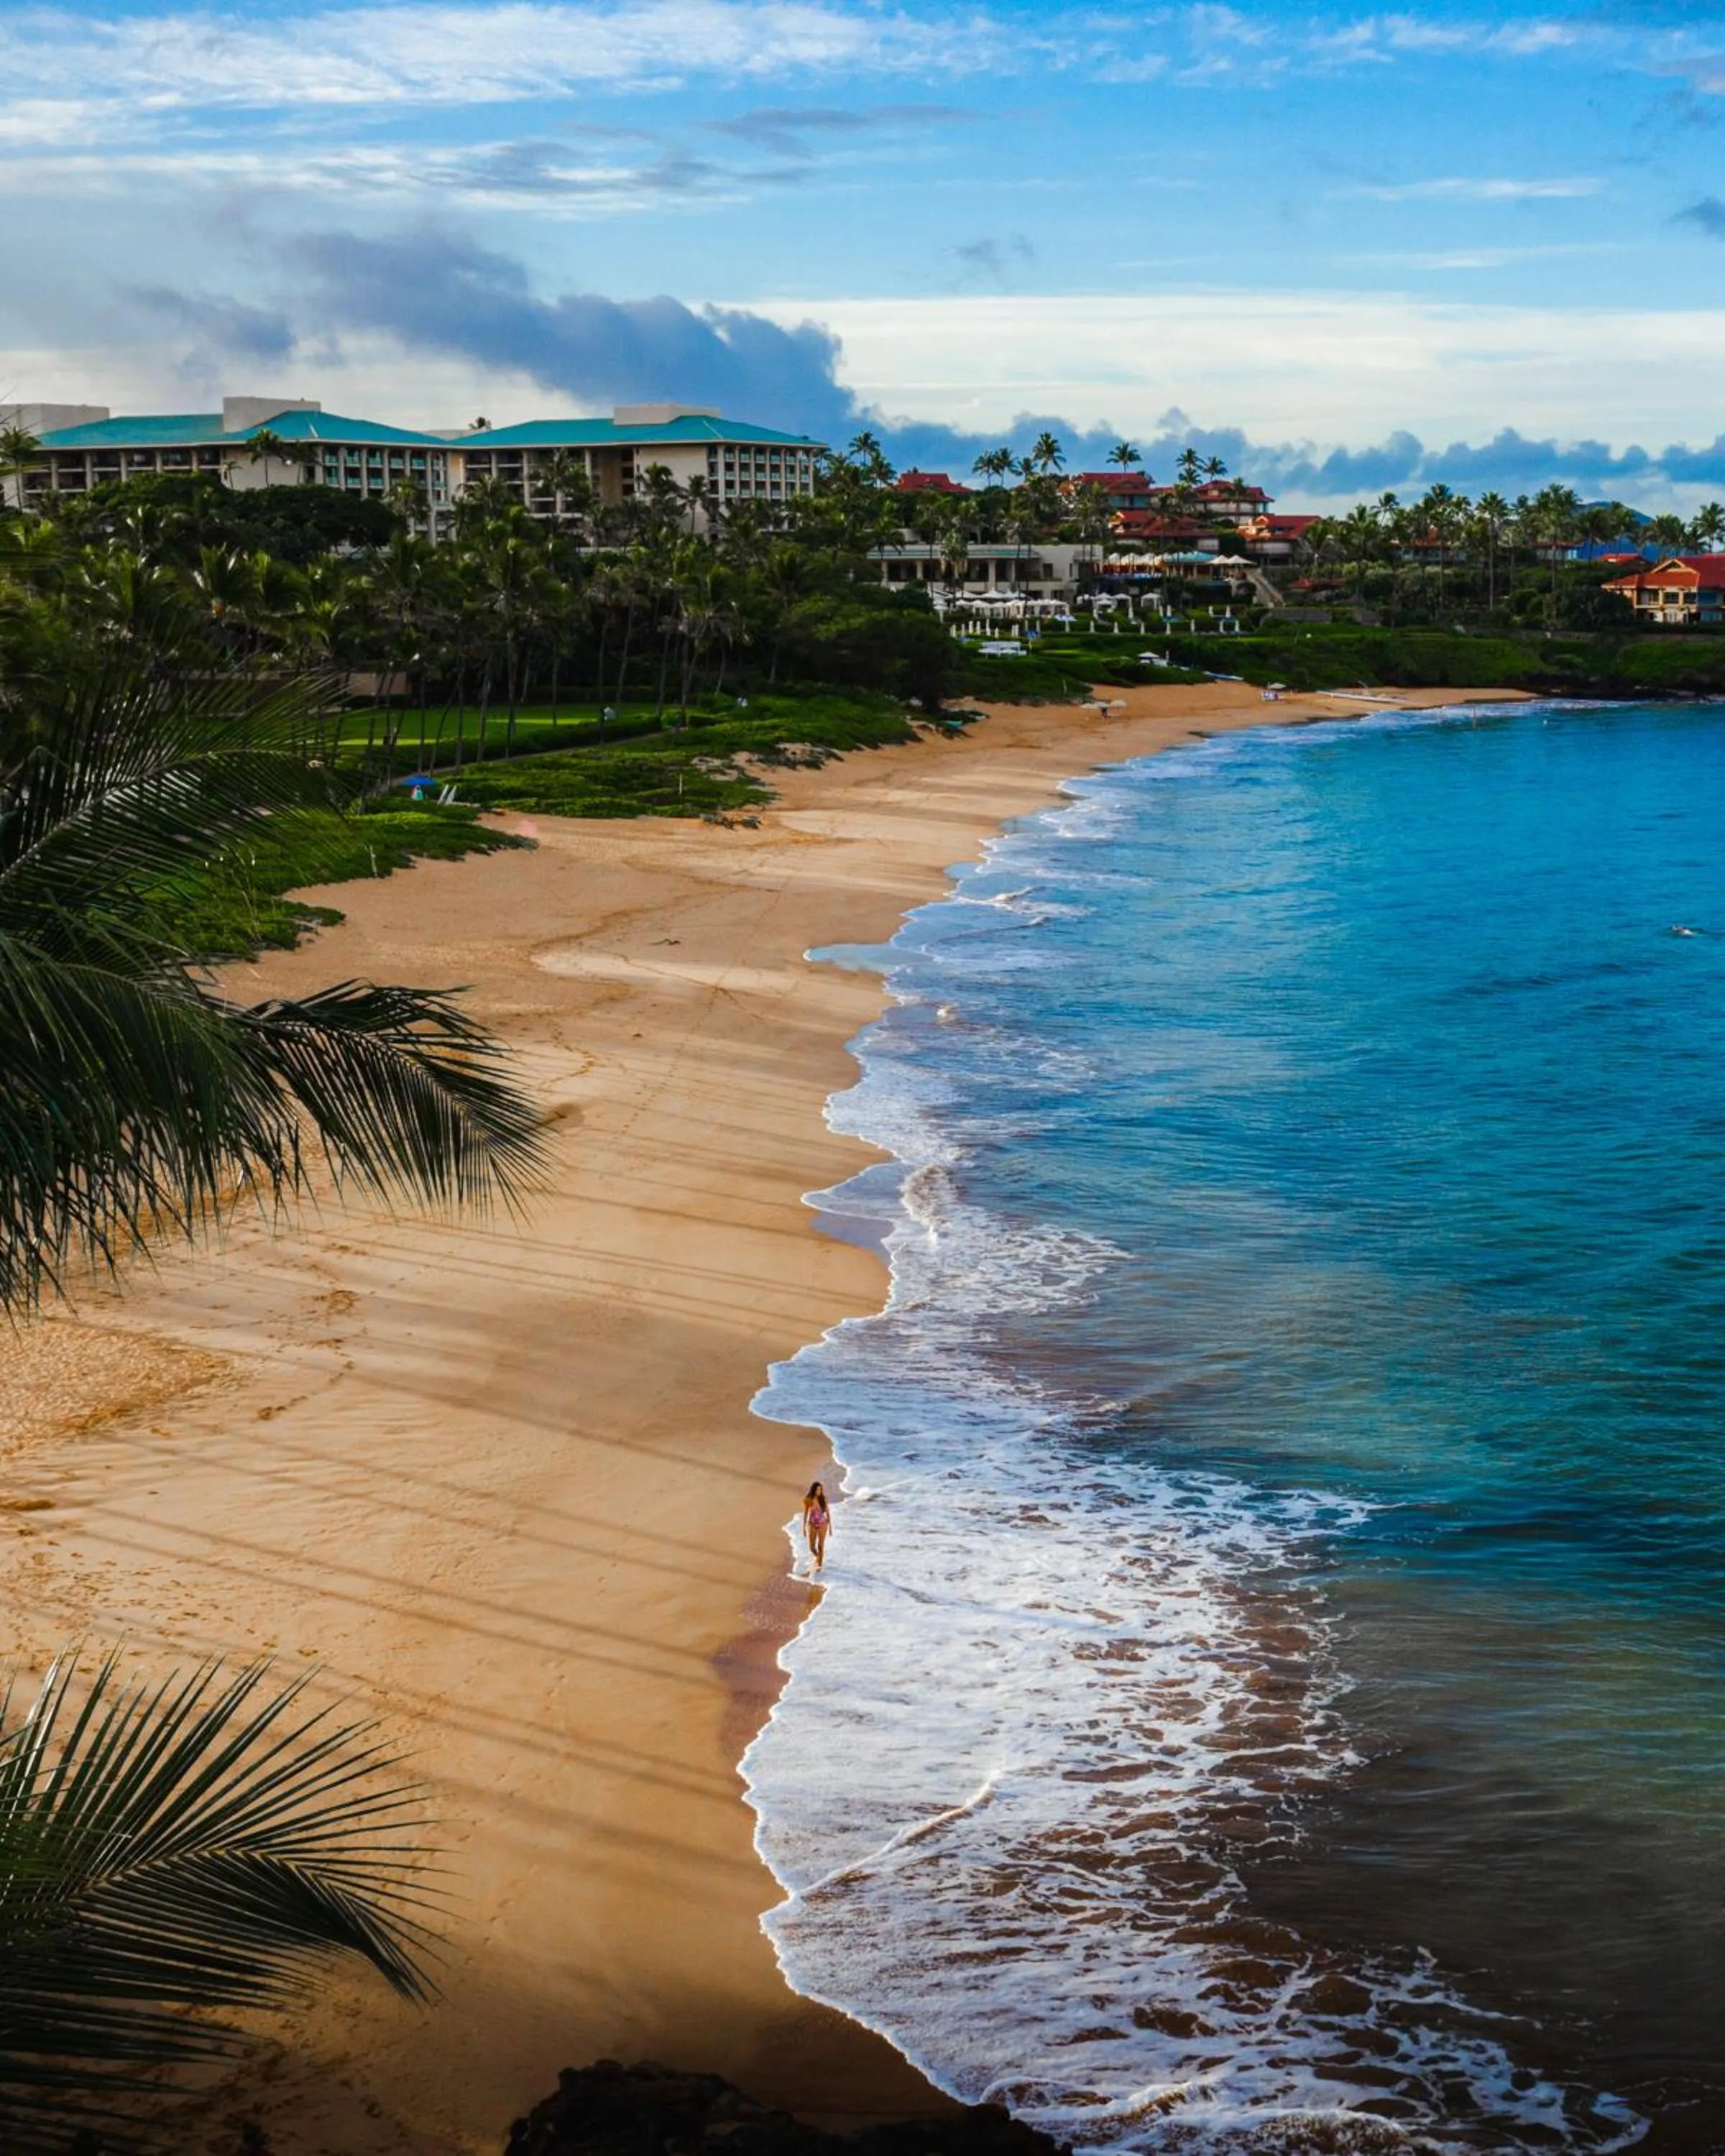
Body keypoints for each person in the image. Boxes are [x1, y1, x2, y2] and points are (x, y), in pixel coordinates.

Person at [801, 1481, 831, 1572]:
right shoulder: (808, 1499)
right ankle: (818, 1557)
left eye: (821, 1490)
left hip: (823, 1524)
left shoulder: (824, 1499)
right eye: (818, 1489)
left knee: (821, 1546)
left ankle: (819, 1566)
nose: (819, 1491)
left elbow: (828, 1512)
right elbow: (806, 1513)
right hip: (812, 1524)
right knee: (812, 1547)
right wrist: (804, 1528)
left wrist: (831, 1528)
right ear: (813, 1490)